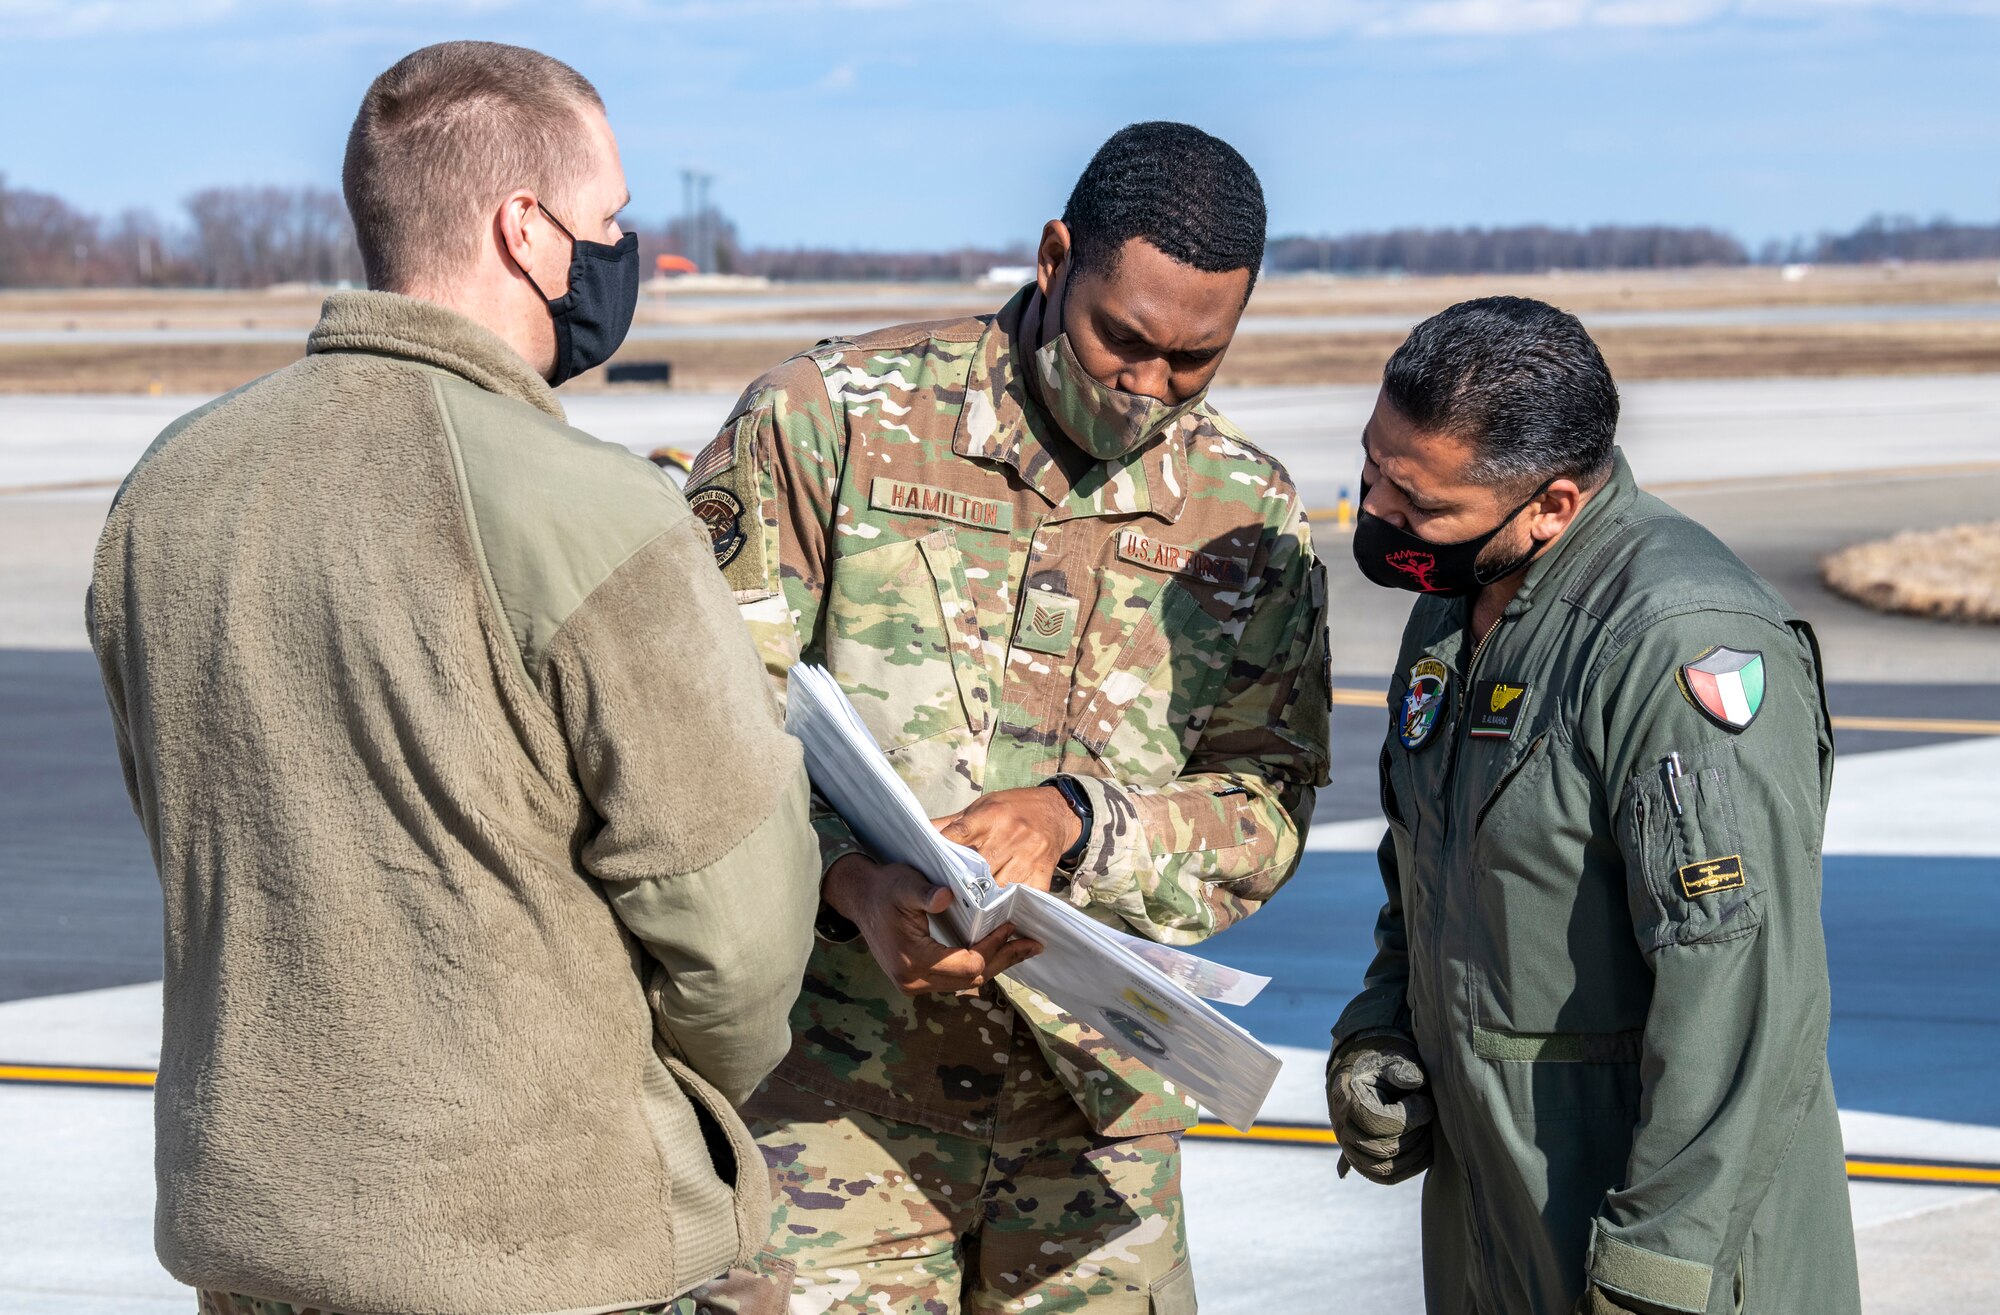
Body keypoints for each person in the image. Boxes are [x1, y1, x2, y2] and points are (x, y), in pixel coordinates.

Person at [87, 41, 817, 1315]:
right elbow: (741, 942)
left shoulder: (169, 489)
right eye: (609, 221)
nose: (617, 251)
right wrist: (636, 1082)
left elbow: (193, 837)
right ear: (526, 231)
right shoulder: (593, 512)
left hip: (255, 1236)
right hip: (540, 1242)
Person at [682, 120, 1332, 1313]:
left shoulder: (1248, 514)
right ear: (1052, 260)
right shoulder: (827, 421)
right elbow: (692, 738)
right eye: (1120, 338)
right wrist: (851, 886)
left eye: (1195, 359)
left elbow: (1267, 807)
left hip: (1096, 1128)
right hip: (830, 1101)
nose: (1145, 387)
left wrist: (1080, 821)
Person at [1327, 297, 1861, 1315]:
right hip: (1499, 1228)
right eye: (1372, 471)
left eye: (1419, 503)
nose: (1381, 515)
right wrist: (1380, 1030)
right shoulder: (1457, 611)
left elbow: (1741, 992)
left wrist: (1657, 1271)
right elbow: (1430, 882)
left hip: (1661, 1257)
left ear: (1550, 505)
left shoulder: (1674, 641)